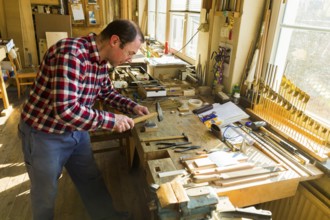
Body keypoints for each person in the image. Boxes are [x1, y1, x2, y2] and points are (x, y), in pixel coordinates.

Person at [18, 19, 149, 220]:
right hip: (44, 134)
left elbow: (106, 92)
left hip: (76, 130)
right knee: (45, 194)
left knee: (91, 180)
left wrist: (132, 106)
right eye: (130, 53)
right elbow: (65, 109)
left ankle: (107, 217)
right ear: (115, 41)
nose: (130, 59)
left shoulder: (101, 61)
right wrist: (111, 120)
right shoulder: (71, 55)